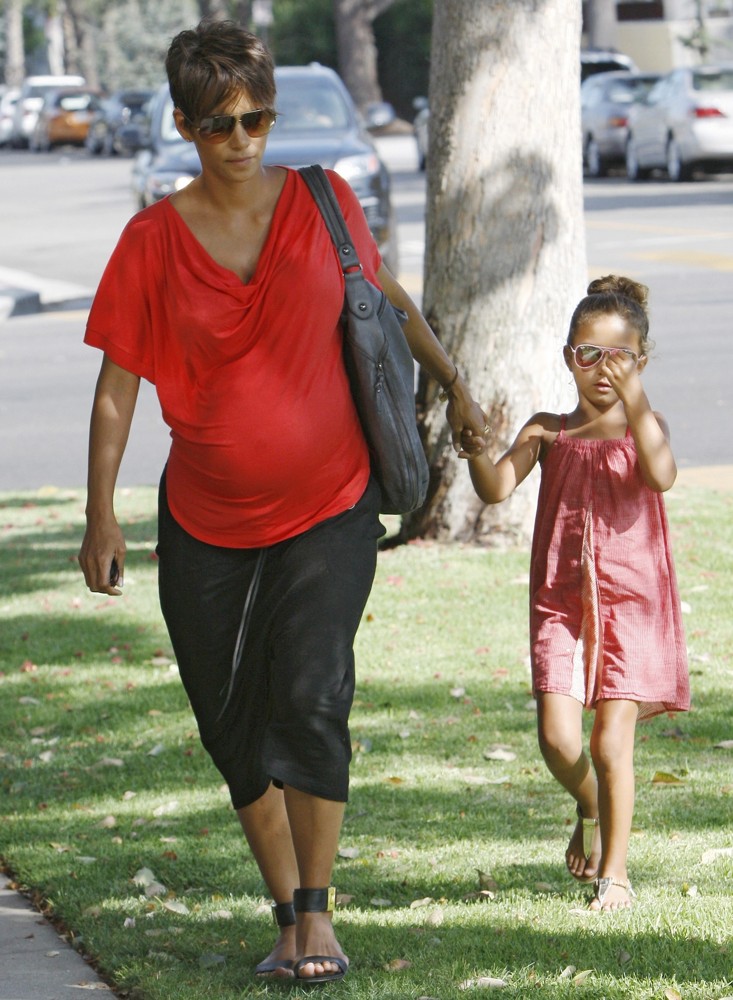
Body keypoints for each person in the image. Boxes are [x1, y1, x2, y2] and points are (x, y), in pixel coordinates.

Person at [78, 18, 486, 984]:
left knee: (309, 695)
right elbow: (115, 388)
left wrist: (454, 383)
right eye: (220, 124)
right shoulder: (151, 240)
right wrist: (100, 515)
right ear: (184, 125)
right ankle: (281, 908)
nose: (244, 140)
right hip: (203, 521)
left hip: (329, 504)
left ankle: (317, 914)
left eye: (258, 118)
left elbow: (384, 297)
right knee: (230, 724)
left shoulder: (324, 198)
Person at [464, 275, 690, 912]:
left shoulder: (647, 426)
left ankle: (615, 874)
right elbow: (494, 487)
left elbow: (663, 473)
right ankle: (589, 803)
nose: (602, 369)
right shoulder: (547, 431)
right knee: (560, 741)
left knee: (609, 741)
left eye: (619, 357)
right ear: (569, 356)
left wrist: (638, 401)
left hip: (632, 604)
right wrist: (477, 448)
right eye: (588, 353)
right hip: (562, 603)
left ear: (640, 362)